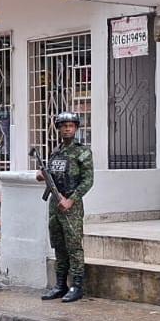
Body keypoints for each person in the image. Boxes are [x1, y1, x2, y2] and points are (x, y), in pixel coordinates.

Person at [37, 111, 95, 304]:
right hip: (55, 204)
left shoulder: (82, 152)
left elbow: (88, 180)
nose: (67, 128)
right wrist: (42, 175)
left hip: (71, 206)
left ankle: (76, 286)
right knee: (58, 246)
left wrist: (71, 200)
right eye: (63, 126)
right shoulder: (56, 152)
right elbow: (51, 174)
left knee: (73, 247)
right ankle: (60, 285)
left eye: (70, 125)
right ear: (59, 129)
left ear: (76, 128)